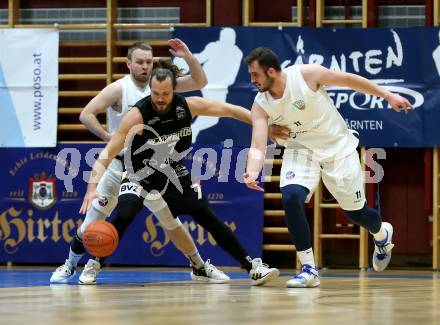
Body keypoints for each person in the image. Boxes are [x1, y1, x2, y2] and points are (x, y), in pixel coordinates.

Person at [80, 65, 280, 286]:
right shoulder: (138, 115)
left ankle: (252, 266)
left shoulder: (187, 106)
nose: (160, 99)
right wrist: (92, 188)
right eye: (155, 93)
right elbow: (108, 153)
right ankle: (94, 264)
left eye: (165, 94)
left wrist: (265, 126)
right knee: (126, 212)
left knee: (206, 214)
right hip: (140, 172)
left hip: (172, 171)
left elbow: (230, 110)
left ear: (174, 90)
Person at [51, 40, 226, 285]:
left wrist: (187, 55)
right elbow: (86, 114)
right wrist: (108, 137)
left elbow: (200, 82)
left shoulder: (161, 85)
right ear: (129, 63)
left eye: (149, 62)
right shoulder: (119, 89)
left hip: (151, 168)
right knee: (92, 225)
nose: (145, 66)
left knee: (171, 223)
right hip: (118, 166)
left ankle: (198, 265)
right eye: (140, 62)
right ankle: (70, 265)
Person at [243, 47, 412, 288]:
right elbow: (258, 144)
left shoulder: (306, 75)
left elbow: (350, 80)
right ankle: (309, 269)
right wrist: (252, 169)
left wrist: (388, 95)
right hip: (300, 149)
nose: (252, 80)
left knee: (355, 214)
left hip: (337, 147)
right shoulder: (261, 103)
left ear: (271, 71)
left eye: (255, 75)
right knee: (291, 197)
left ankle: (382, 234)